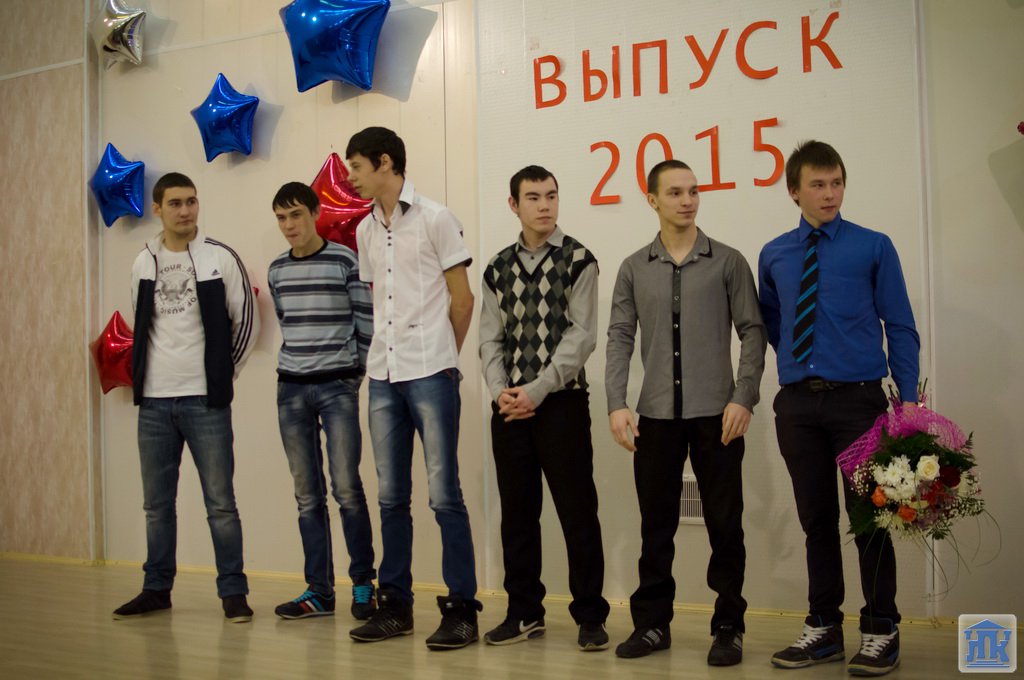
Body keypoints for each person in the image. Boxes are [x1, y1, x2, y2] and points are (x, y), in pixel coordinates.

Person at [758, 140, 919, 677]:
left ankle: (881, 628)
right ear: (794, 191)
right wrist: (801, 365)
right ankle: (824, 625)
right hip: (798, 406)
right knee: (816, 521)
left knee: (869, 518)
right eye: (818, 185)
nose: (830, 194)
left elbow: (900, 324)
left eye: (837, 183)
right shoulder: (774, 254)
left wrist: (909, 399)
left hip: (858, 402)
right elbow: (774, 320)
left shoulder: (873, 246)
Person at [606, 160, 766, 666]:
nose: (687, 200)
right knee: (655, 527)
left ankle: (729, 627)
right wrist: (616, 403)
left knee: (725, 525)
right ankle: (652, 624)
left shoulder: (728, 262)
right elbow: (619, 337)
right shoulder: (634, 267)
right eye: (675, 192)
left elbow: (753, 331)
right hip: (655, 417)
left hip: (718, 415)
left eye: (693, 191)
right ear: (652, 199)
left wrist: (744, 395)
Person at [343, 127, 481, 650]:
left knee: (445, 496)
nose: (351, 178)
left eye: (357, 167)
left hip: (430, 371)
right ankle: (396, 606)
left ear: (385, 162)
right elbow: (379, 299)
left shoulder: (435, 218)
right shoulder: (365, 229)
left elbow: (462, 301)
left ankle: (462, 610)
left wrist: (443, 358)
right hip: (383, 374)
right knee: (391, 497)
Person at [113, 172, 259, 623]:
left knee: (221, 503)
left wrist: (222, 377)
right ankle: (156, 589)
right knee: (157, 506)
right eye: (175, 203)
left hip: (205, 402)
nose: (185, 210)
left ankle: (233, 592)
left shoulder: (220, 258)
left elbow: (246, 323)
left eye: (191, 201)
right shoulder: (143, 261)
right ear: (158, 209)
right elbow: (141, 324)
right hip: (154, 403)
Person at [479, 165, 610, 651]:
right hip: (510, 407)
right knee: (517, 516)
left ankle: (590, 615)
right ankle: (524, 613)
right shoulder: (496, 267)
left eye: (551, 195)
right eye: (533, 197)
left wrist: (537, 389)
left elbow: (582, 336)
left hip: (562, 404)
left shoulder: (579, 259)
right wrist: (501, 391)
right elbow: (490, 338)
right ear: (514, 205)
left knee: (578, 512)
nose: (545, 205)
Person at [267, 182, 377, 622]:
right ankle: (319, 591)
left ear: (315, 213)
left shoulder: (344, 260)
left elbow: (366, 324)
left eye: (296, 214)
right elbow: (285, 321)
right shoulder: (277, 270)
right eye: (281, 218)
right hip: (291, 389)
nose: (289, 225)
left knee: (347, 488)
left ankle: (364, 585)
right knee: (306, 495)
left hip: (336, 388)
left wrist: (353, 377)